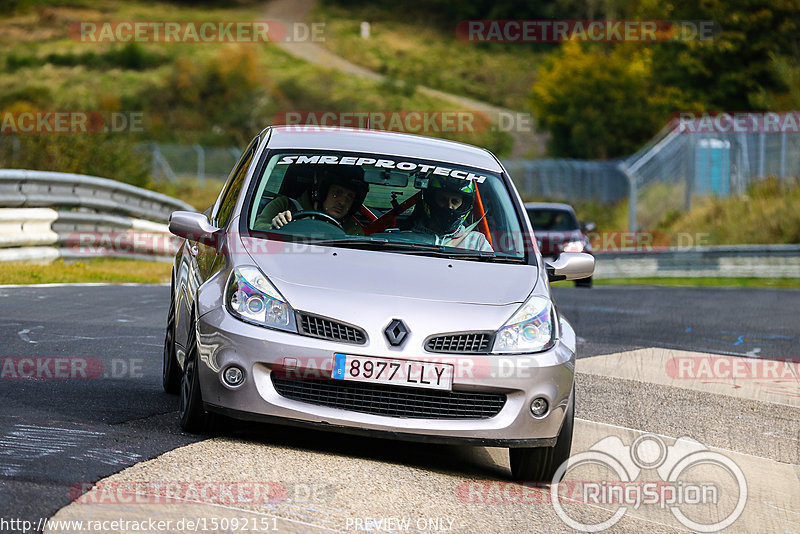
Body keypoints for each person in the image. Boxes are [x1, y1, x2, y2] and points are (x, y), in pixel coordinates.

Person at [254, 166, 368, 235]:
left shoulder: (352, 230)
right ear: (322, 191)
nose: (342, 202)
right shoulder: (284, 205)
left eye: (349, 197)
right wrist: (274, 227)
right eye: (337, 193)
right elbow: (255, 230)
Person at [404, 175, 493, 251]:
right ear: (431, 200)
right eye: (443, 199)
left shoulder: (477, 241)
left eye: (455, 201)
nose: (449, 206)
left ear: (463, 205)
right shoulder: (405, 237)